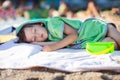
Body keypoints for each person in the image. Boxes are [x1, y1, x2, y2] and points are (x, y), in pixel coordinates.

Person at [16, 16, 120, 52]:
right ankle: (111, 39)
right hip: (88, 40)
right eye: (34, 38)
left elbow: (73, 35)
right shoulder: (49, 38)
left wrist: (53, 47)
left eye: (35, 31)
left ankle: (111, 30)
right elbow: (52, 43)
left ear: (40, 24)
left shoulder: (53, 24)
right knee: (110, 45)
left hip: (91, 29)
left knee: (112, 34)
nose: (38, 36)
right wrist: (36, 44)